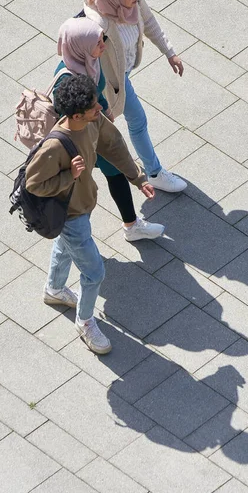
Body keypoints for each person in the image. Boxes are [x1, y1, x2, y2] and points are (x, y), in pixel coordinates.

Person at [25, 74, 155, 354]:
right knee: (94, 272)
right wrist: (68, 177)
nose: (101, 109)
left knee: (64, 247)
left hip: (82, 205)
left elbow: (114, 145)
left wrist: (138, 177)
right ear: (76, 114)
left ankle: (54, 289)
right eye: (94, 107)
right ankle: (84, 323)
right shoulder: (54, 146)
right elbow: (34, 184)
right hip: (71, 215)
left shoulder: (93, 120)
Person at [55, 17, 164, 242]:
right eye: (98, 42)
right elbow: (66, 118)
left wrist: (104, 110)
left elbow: (99, 89)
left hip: (97, 131)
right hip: (79, 142)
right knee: (78, 187)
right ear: (81, 46)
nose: (103, 45)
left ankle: (131, 225)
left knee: (114, 172)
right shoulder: (65, 81)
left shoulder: (91, 60)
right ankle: (69, 235)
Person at [82, 0, 187, 193]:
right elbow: (90, 61)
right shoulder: (98, 25)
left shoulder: (133, 1)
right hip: (111, 80)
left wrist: (170, 53)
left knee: (119, 123)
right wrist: (100, 98)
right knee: (137, 121)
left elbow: (148, 22)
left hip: (123, 73)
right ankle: (154, 172)